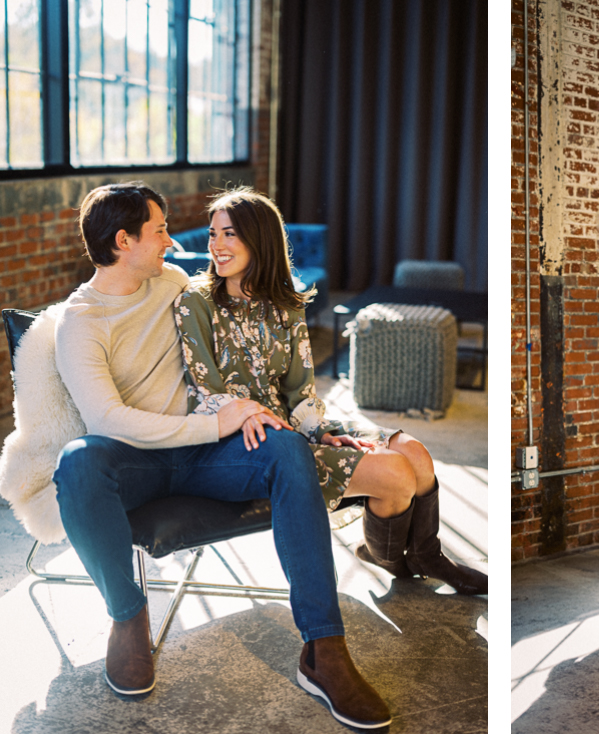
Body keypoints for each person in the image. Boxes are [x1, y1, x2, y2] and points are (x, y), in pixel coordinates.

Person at [52, 182, 390, 729]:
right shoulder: (80, 322)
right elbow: (106, 421)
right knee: (77, 460)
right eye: (160, 230)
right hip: (137, 463)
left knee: (283, 448)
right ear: (123, 240)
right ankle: (128, 613)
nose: (173, 240)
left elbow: (236, 341)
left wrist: (287, 418)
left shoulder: (176, 284)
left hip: (208, 458)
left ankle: (323, 649)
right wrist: (214, 421)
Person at [171, 187, 487, 598]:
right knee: (394, 473)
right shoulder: (195, 302)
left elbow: (299, 388)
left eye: (229, 234)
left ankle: (421, 555)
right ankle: (399, 555)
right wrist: (250, 414)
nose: (216, 245)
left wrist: (319, 431)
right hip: (252, 441)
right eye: (213, 234)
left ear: (258, 238)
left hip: (295, 424)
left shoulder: (285, 303)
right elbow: (204, 389)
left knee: (416, 454)